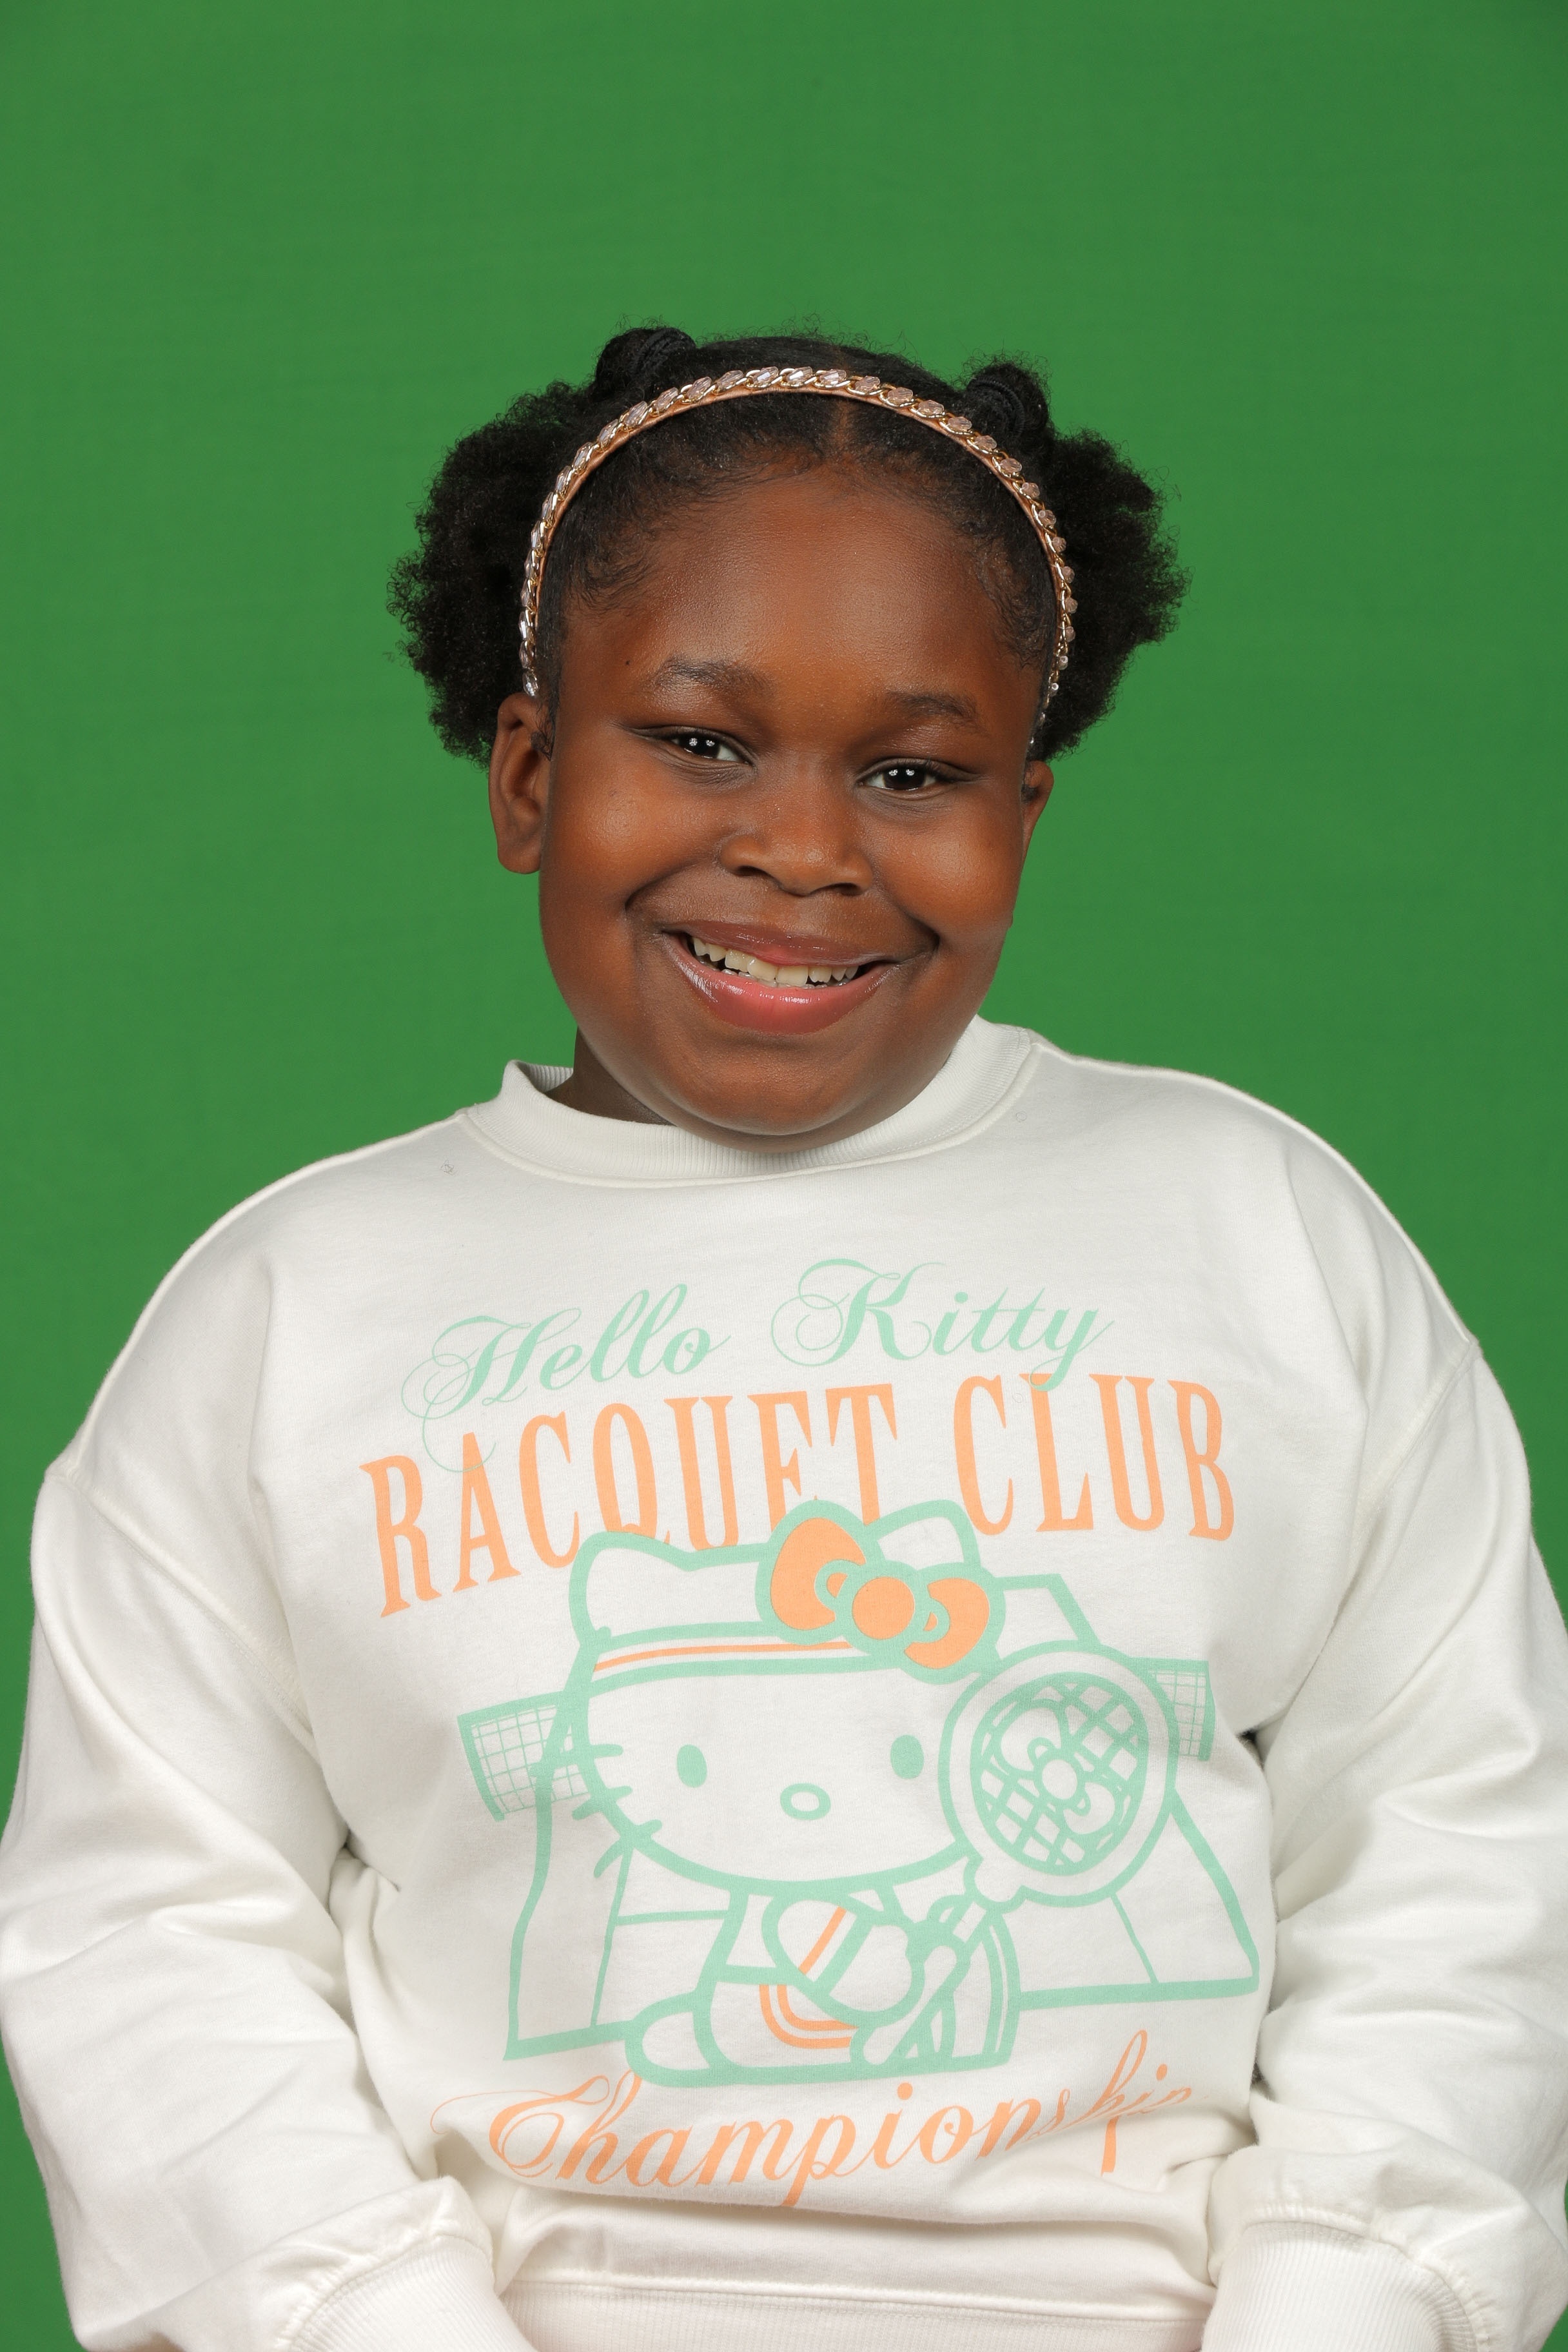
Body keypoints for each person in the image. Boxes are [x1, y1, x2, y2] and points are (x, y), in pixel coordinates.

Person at [1, 325, 1565, 2352]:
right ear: (531, 776)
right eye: (702, 742)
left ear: (1024, 807)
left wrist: (1338, 2308)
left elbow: (1462, 1850)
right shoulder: (289, 1312)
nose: (808, 850)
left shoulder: (1258, 1234)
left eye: (913, 774)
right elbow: (149, 1930)